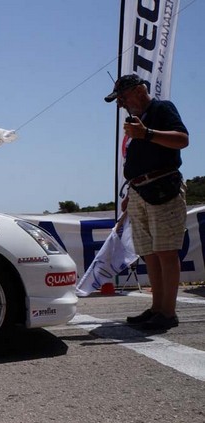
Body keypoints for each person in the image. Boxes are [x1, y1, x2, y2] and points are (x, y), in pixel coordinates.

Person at [105, 74, 189, 330]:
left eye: (123, 97)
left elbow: (182, 139)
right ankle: (157, 308)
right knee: (149, 254)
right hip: (140, 191)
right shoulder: (135, 123)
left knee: (166, 252)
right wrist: (131, 194)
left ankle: (168, 312)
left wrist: (147, 133)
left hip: (163, 189)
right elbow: (139, 160)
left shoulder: (161, 109)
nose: (120, 103)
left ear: (140, 91)